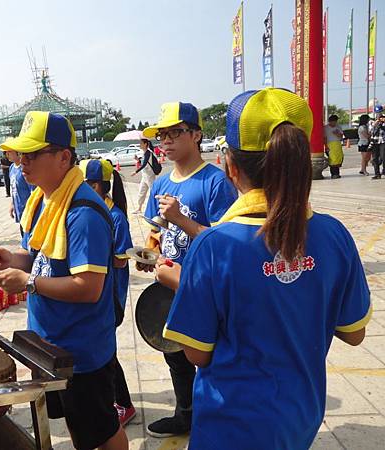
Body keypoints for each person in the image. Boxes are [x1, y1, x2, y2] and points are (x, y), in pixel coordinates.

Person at [164, 87, 371, 449]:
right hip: (301, 417)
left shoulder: (213, 247)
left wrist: (181, 283)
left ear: (230, 165)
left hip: (231, 427)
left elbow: (197, 353)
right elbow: (353, 333)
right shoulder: (334, 235)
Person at [0, 111, 128, 450]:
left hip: (82, 351)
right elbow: (40, 258)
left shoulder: (83, 213)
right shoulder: (45, 200)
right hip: (51, 341)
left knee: (102, 432)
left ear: (64, 157)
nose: (22, 162)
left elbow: (89, 288)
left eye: (33, 154)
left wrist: (28, 282)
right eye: (20, 154)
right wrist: (12, 258)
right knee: (81, 430)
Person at [137, 102, 238, 438]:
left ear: (196, 134)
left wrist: (181, 218)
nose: (166, 141)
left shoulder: (215, 182)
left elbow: (227, 242)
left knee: (209, 355)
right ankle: (186, 415)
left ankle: (220, 417)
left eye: (175, 133)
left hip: (204, 286)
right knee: (175, 355)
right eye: (161, 135)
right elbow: (156, 231)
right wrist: (148, 252)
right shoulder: (162, 182)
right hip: (168, 284)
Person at [79, 158, 136, 427]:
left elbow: (121, 259)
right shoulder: (91, 210)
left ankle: (124, 404)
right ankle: (116, 400)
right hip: (99, 294)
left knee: (107, 353)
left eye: (88, 184)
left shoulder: (115, 216)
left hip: (111, 294)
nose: (84, 188)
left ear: (101, 185)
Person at [5, 149, 35, 230]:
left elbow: (33, 192)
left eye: (9, 152)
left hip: (28, 211)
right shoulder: (11, 168)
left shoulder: (25, 169)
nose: (7, 154)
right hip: (19, 210)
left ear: (18, 153)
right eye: (6, 152)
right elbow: (13, 188)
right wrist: (12, 204)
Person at [132, 134, 159, 214]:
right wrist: (138, 160)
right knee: (141, 192)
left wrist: (135, 171)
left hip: (150, 176)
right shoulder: (144, 153)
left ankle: (157, 207)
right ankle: (139, 208)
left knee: (153, 192)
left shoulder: (148, 153)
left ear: (145, 144)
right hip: (145, 176)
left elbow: (144, 165)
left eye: (141, 143)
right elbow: (143, 162)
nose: (140, 145)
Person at [323, 114, 344, 179]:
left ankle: (337, 173)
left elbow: (341, 136)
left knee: (338, 158)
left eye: (335, 121)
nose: (334, 123)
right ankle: (333, 174)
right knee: (332, 159)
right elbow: (324, 138)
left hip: (337, 144)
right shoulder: (325, 128)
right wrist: (326, 146)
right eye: (333, 121)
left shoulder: (338, 127)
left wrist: (337, 134)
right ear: (330, 121)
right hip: (330, 144)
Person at [370, 114, 385, 179]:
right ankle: (377, 174)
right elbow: (370, 131)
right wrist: (375, 124)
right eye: (379, 118)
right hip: (375, 142)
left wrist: (381, 124)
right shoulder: (373, 123)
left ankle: (384, 170)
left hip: (383, 142)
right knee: (375, 158)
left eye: (382, 117)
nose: (380, 119)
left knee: (383, 157)